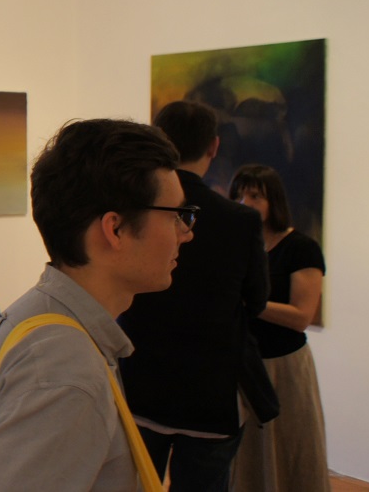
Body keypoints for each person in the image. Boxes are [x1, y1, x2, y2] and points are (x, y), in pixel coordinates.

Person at [0, 118, 191, 491]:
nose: (186, 232)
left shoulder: (37, 321)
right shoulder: (64, 370)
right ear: (115, 229)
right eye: (175, 216)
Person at [117, 101, 276, 492]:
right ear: (214, 146)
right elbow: (256, 301)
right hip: (210, 391)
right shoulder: (240, 220)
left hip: (142, 382)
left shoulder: (132, 211)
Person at [229, 164, 330, 492]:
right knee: (247, 455)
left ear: (274, 201)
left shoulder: (301, 248)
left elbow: (302, 315)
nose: (244, 203)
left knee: (291, 447)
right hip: (245, 363)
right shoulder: (238, 246)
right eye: (239, 196)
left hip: (285, 366)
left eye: (254, 196)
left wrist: (250, 303)